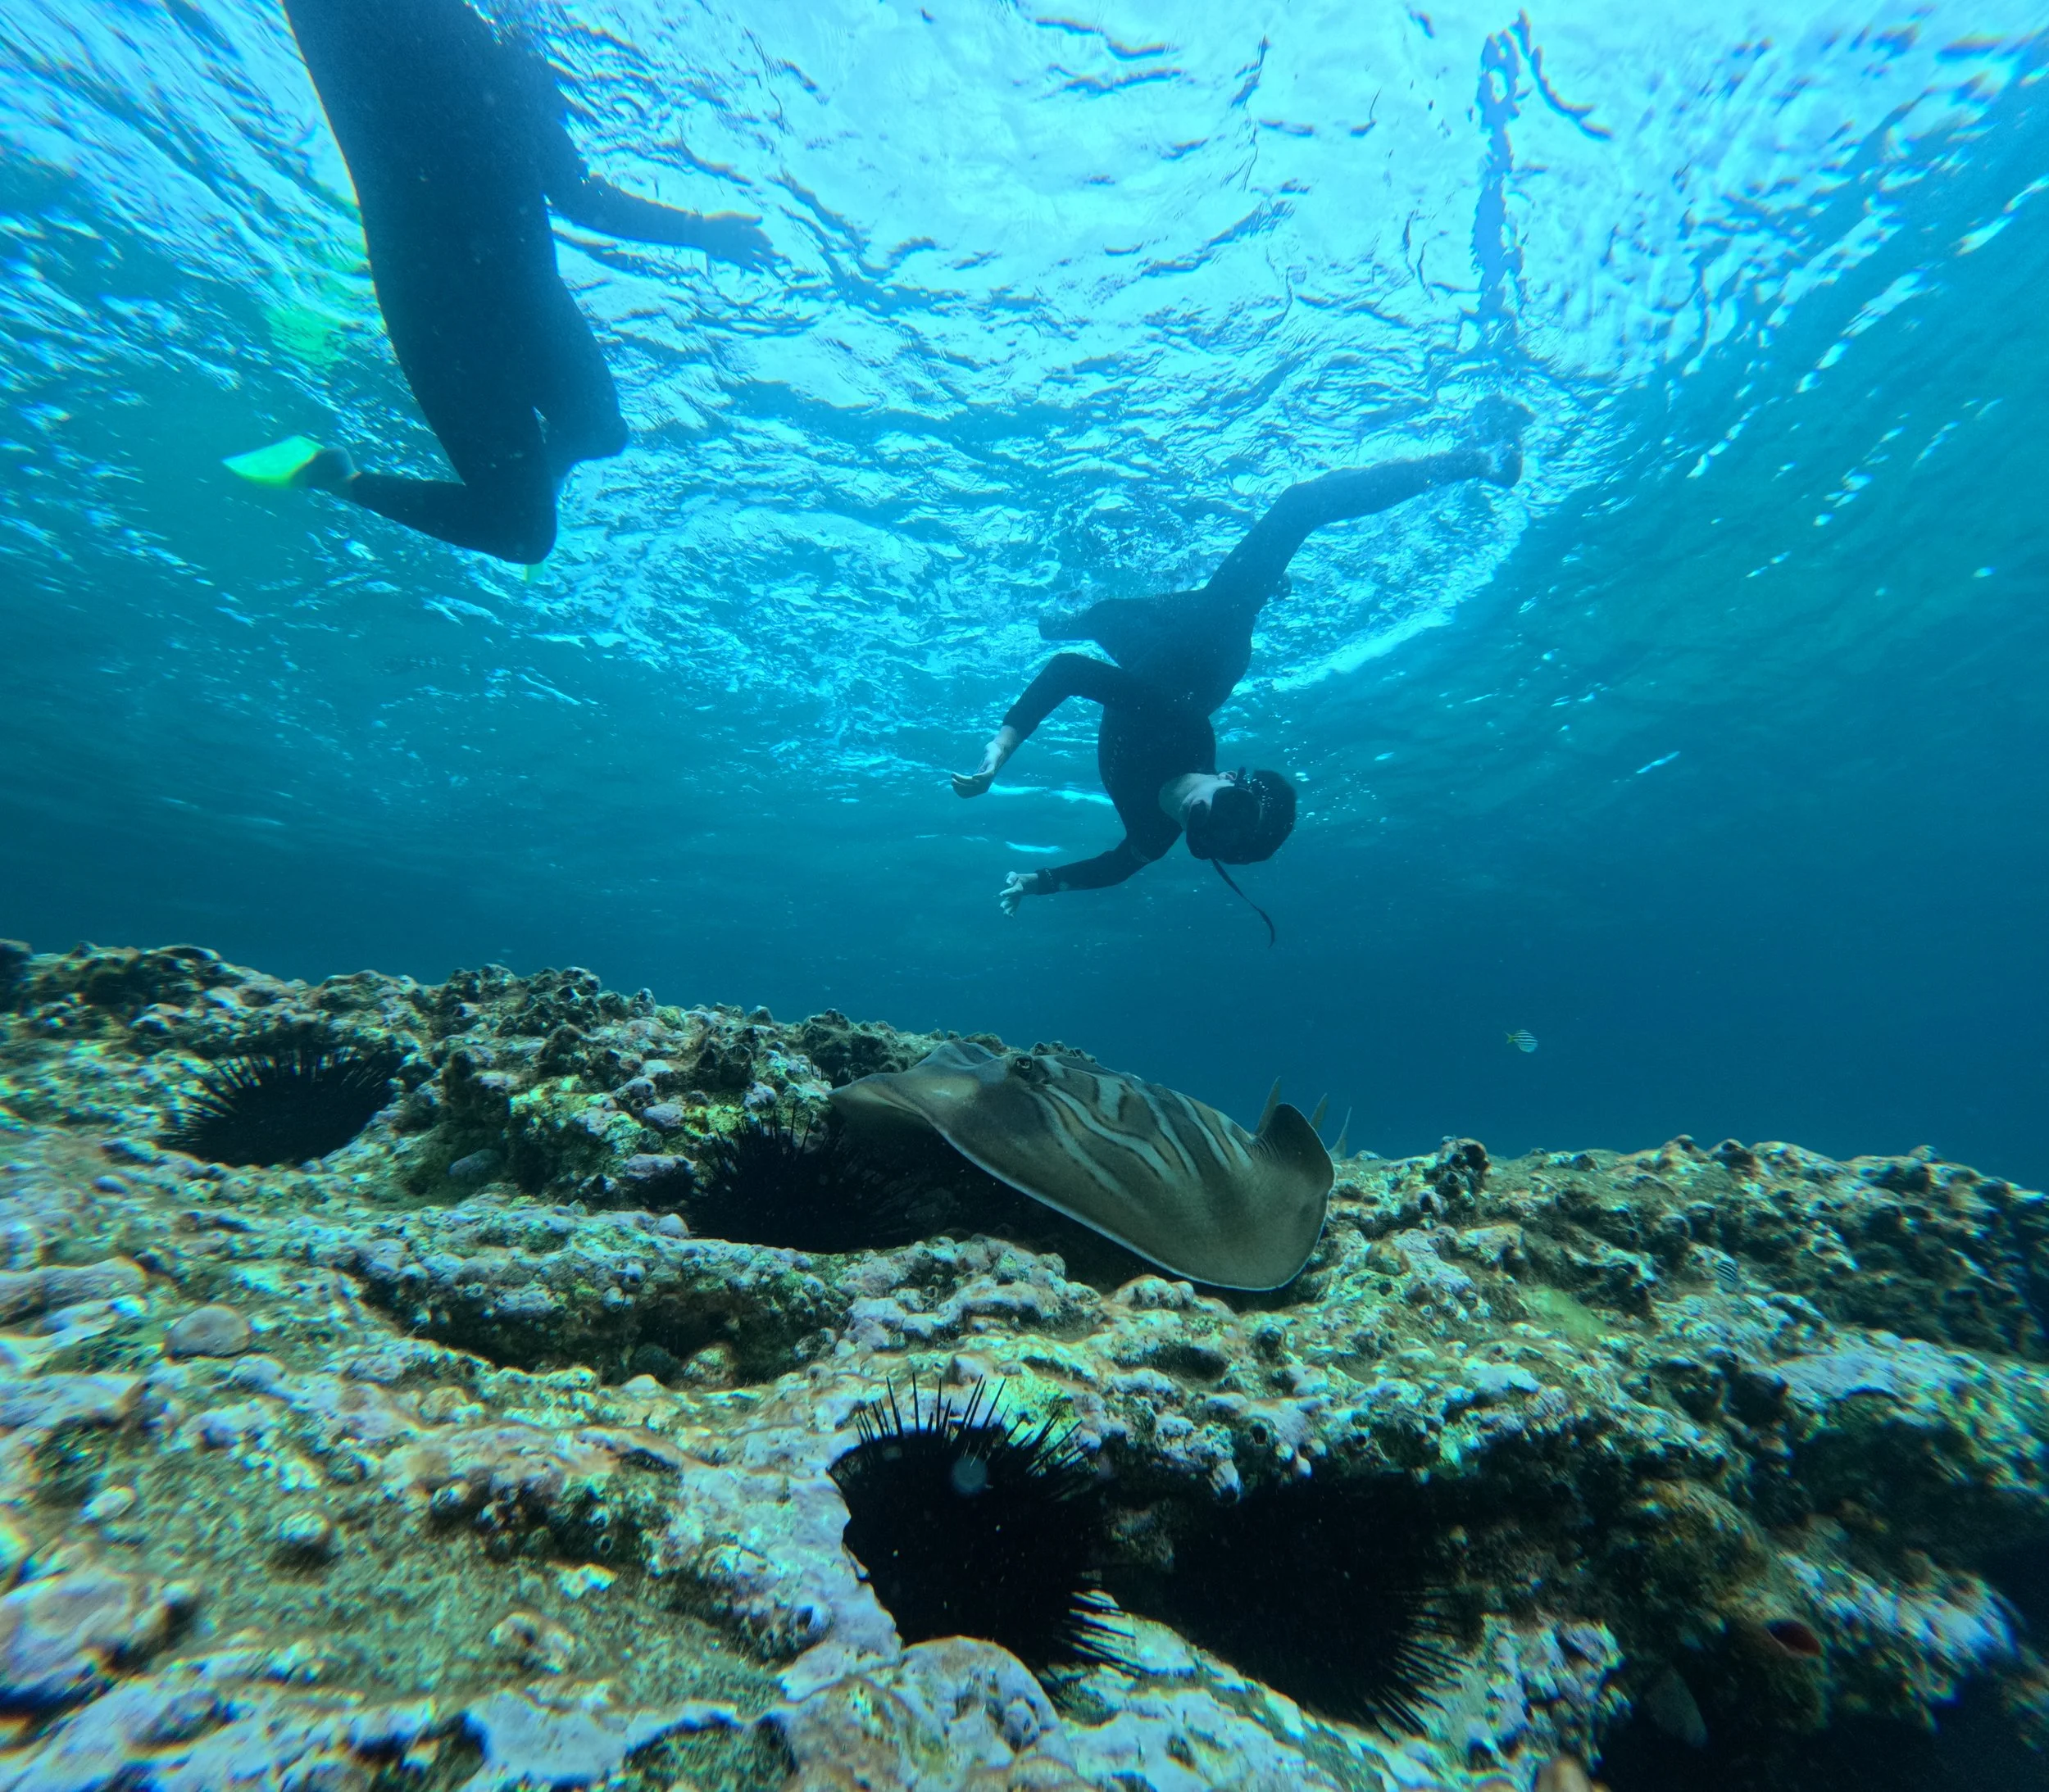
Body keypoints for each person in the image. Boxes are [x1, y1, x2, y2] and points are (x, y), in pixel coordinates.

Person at [224, 0, 771, 564]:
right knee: (525, 531)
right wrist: (698, 231)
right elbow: (576, 194)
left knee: (601, 432)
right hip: (437, 313)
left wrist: (698, 230)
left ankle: (540, 470)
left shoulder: (510, 63)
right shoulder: (416, 41)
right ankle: (339, 478)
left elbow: (576, 192)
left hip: (521, 299)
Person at [953, 416, 1525, 936]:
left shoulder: (1155, 836)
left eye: (1214, 838)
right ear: (1229, 775)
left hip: (1146, 655)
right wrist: (1000, 752)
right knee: (1299, 505)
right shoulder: (1184, 734)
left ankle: (1135, 605)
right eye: (1229, 810)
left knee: (1086, 620)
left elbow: (1114, 868)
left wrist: (1040, 882)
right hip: (1213, 639)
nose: (1205, 819)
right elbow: (1069, 673)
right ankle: (1479, 461)